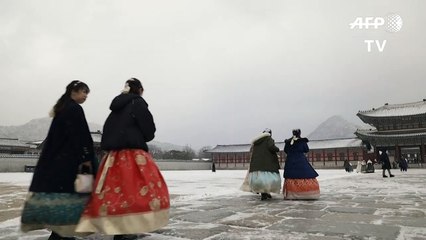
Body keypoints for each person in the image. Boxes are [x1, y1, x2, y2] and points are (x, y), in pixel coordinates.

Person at [75, 78, 169, 240]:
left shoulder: (115, 108)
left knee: (115, 193)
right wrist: (141, 135)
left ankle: (119, 228)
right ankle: (128, 228)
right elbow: (149, 130)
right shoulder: (138, 103)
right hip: (133, 155)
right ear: (139, 90)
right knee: (138, 191)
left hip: (112, 157)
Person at [21, 81, 94, 240]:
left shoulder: (62, 109)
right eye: (83, 92)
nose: (85, 96)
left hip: (58, 163)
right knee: (73, 196)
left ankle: (61, 234)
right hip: (70, 163)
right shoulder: (74, 109)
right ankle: (63, 235)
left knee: (64, 198)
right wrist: (87, 158)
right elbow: (80, 136)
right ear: (73, 92)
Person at [283, 129, 320, 200]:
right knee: (305, 174)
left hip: (290, 160)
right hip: (300, 160)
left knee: (291, 175)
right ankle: (306, 193)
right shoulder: (302, 141)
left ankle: (292, 194)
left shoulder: (288, 142)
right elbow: (306, 149)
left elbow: (286, 150)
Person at [246, 128, 281, 200]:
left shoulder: (256, 142)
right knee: (268, 178)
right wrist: (277, 149)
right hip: (267, 162)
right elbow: (271, 147)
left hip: (257, 163)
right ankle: (266, 192)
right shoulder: (268, 139)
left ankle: (264, 193)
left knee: (261, 179)